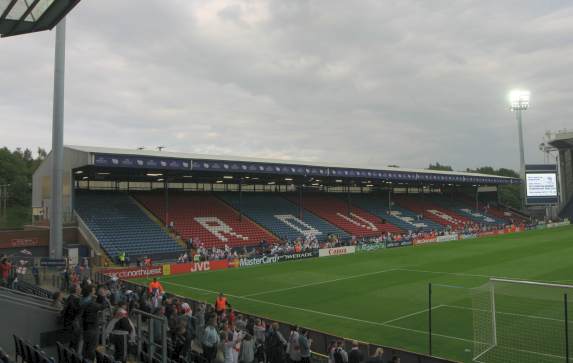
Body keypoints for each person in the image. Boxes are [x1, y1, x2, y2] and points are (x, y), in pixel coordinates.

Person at [79, 284, 105, 361]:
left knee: (86, 348)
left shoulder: (84, 300)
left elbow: (96, 305)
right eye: (94, 290)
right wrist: (102, 295)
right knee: (91, 349)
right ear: (90, 292)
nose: (95, 291)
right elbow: (102, 306)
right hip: (92, 330)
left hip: (86, 328)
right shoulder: (89, 303)